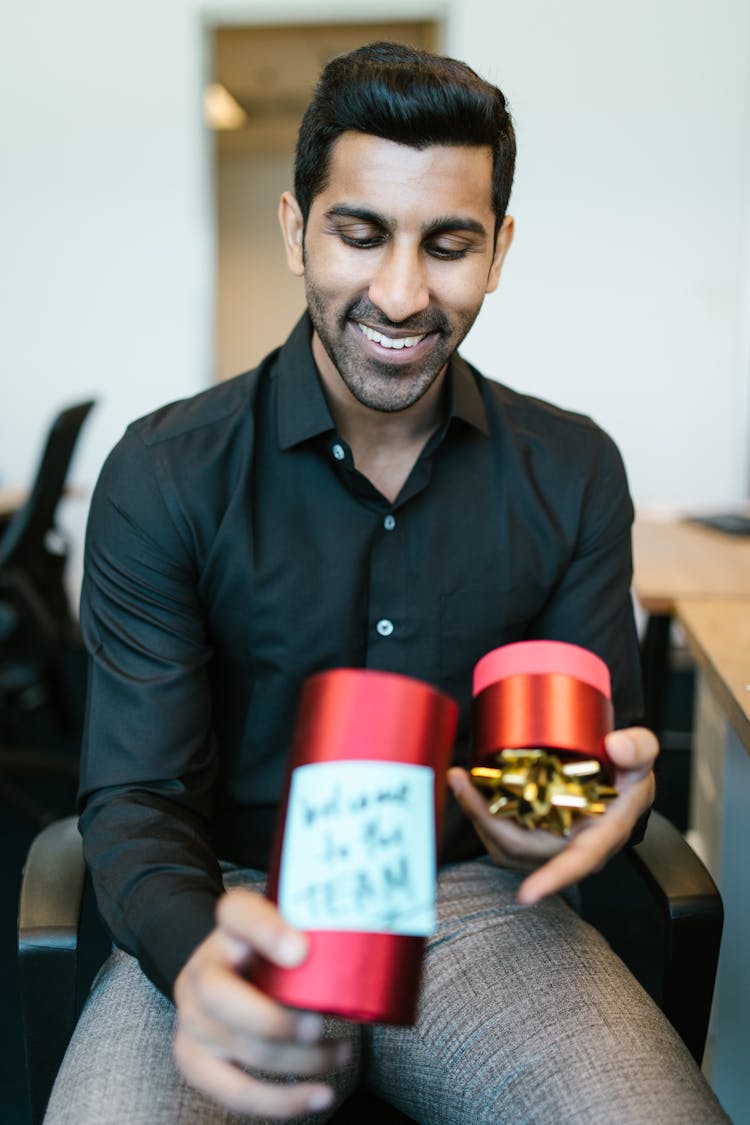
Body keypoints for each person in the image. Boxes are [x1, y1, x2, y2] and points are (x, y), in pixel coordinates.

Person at [45, 41, 727, 1125]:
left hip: (474, 908)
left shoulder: (573, 469)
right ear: (295, 229)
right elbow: (136, 799)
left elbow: (569, 775)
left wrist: (564, 813)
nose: (401, 294)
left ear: (498, 250)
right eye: (360, 234)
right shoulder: (163, 471)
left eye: (447, 244)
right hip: (228, 897)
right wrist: (191, 957)